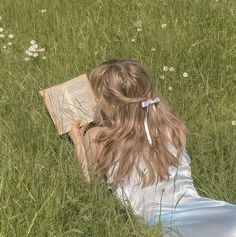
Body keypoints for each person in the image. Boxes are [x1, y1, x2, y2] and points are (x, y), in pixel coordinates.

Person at [69, 59, 236, 237]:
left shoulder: (98, 138)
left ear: (111, 106)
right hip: (204, 210)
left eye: (97, 98)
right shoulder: (171, 125)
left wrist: (79, 142)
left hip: (162, 223)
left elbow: (93, 186)